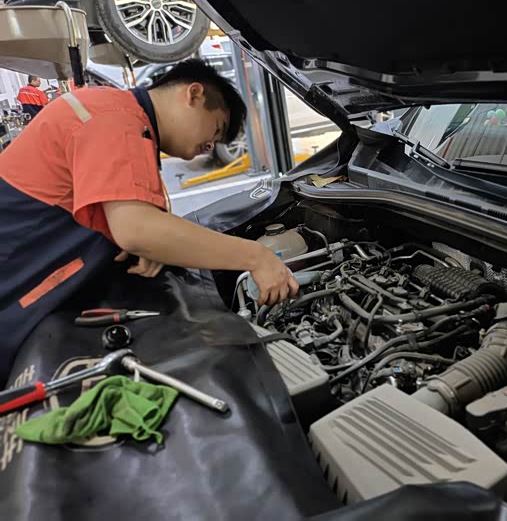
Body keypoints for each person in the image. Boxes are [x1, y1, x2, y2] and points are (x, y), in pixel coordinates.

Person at [0, 59, 298, 386]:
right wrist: (256, 257)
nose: (210, 147)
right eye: (216, 130)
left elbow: (133, 225)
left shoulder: (121, 117)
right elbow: (137, 230)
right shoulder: (114, 118)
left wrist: (151, 241)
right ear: (194, 94)